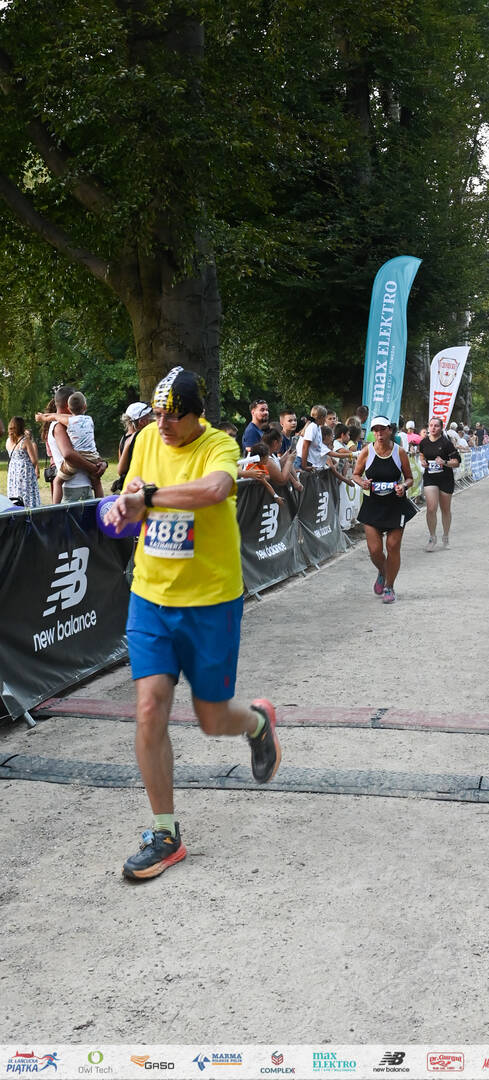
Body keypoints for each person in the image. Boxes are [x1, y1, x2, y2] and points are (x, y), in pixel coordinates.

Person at [105, 366, 281, 880]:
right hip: (151, 597)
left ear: (195, 416)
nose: (161, 425)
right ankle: (165, 834)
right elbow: (135, 500)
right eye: (157, 414)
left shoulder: (218, 445)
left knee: (211, 718)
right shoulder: (145, 440)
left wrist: (149, 497)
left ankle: (257, 723)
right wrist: (126, 510)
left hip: (210, 602)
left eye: (172, 417)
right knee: (149, 706)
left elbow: (215, 489)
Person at [352, 415, 416, 604]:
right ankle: (382, 570)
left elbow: (409, 478)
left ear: (389, 430)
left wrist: (403, 486)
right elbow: (356, 474)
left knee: (393, 546)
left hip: (395, 505)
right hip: (373, 505)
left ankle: (389, 586)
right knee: (374, 550)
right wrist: (362, 483)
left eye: (382, 429)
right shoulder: (367, 451)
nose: (379, 433)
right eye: (375, 430)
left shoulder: (399, 452)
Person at [36, 391, 107, 501]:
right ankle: (101, 506)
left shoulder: (68, 421)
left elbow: (54, 416)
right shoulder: (62, 425)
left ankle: (55, 507)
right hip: (74, 486)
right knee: (97, 481)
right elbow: (68, 454)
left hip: (78, 483)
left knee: (57, 481)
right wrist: (94, 468)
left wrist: (42, 417)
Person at [419, 417, 461, 550]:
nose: (433, 428)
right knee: (431, 508)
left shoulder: (446, 443)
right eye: (431, 425)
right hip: (430, 477)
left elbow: (457, 462)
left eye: (436, 426)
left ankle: (446, 536)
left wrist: (445, 462)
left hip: (445, 478)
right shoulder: (424, 442)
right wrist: (423, 461)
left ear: (441, 428)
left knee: (445, 509)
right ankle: (432, 537)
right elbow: (421, 454)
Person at [115, 402, 154, 490]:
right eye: (148, 417)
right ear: (141, 422)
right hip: (137, 484)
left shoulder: (123, 438)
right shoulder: (138, 438)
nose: (150, 420)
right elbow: (120, 469)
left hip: (128, 484)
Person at [5, 416, 41, 508]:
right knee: (26, 493)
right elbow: (34, 460)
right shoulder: (25, 440)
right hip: (25, 471)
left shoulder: (8, 441)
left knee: (15, 492)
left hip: (13, 471)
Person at [295, 404, 327, 471]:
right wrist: (304, 466)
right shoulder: (312, 427)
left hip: (309, 462)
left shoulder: (317, 427)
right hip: (302, 461)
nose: (325, 419)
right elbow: (305, 446)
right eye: (325, 417)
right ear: (321, 417)